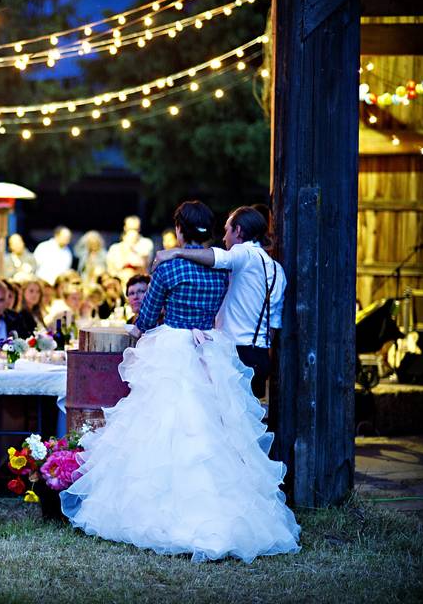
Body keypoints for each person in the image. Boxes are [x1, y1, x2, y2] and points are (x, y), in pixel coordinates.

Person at [61, 201, 300, 563]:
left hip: (173, 346)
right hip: (209, 347)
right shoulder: (221, 272)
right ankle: (222, 511)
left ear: (179, 229)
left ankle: (155, 512)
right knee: (213, 428)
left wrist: (138, 325)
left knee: (160, 423)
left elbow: (146, 316)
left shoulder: (171, 269)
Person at [153, 206, 286, 398]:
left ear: (238, 231)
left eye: (226, 230)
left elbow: (218, 257)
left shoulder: (244, 253)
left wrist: (177, 253)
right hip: (261, 356)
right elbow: (273, 325)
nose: (224, 239)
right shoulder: (277, 269)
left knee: (224, 421)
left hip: (237, 355)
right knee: (246, 423)